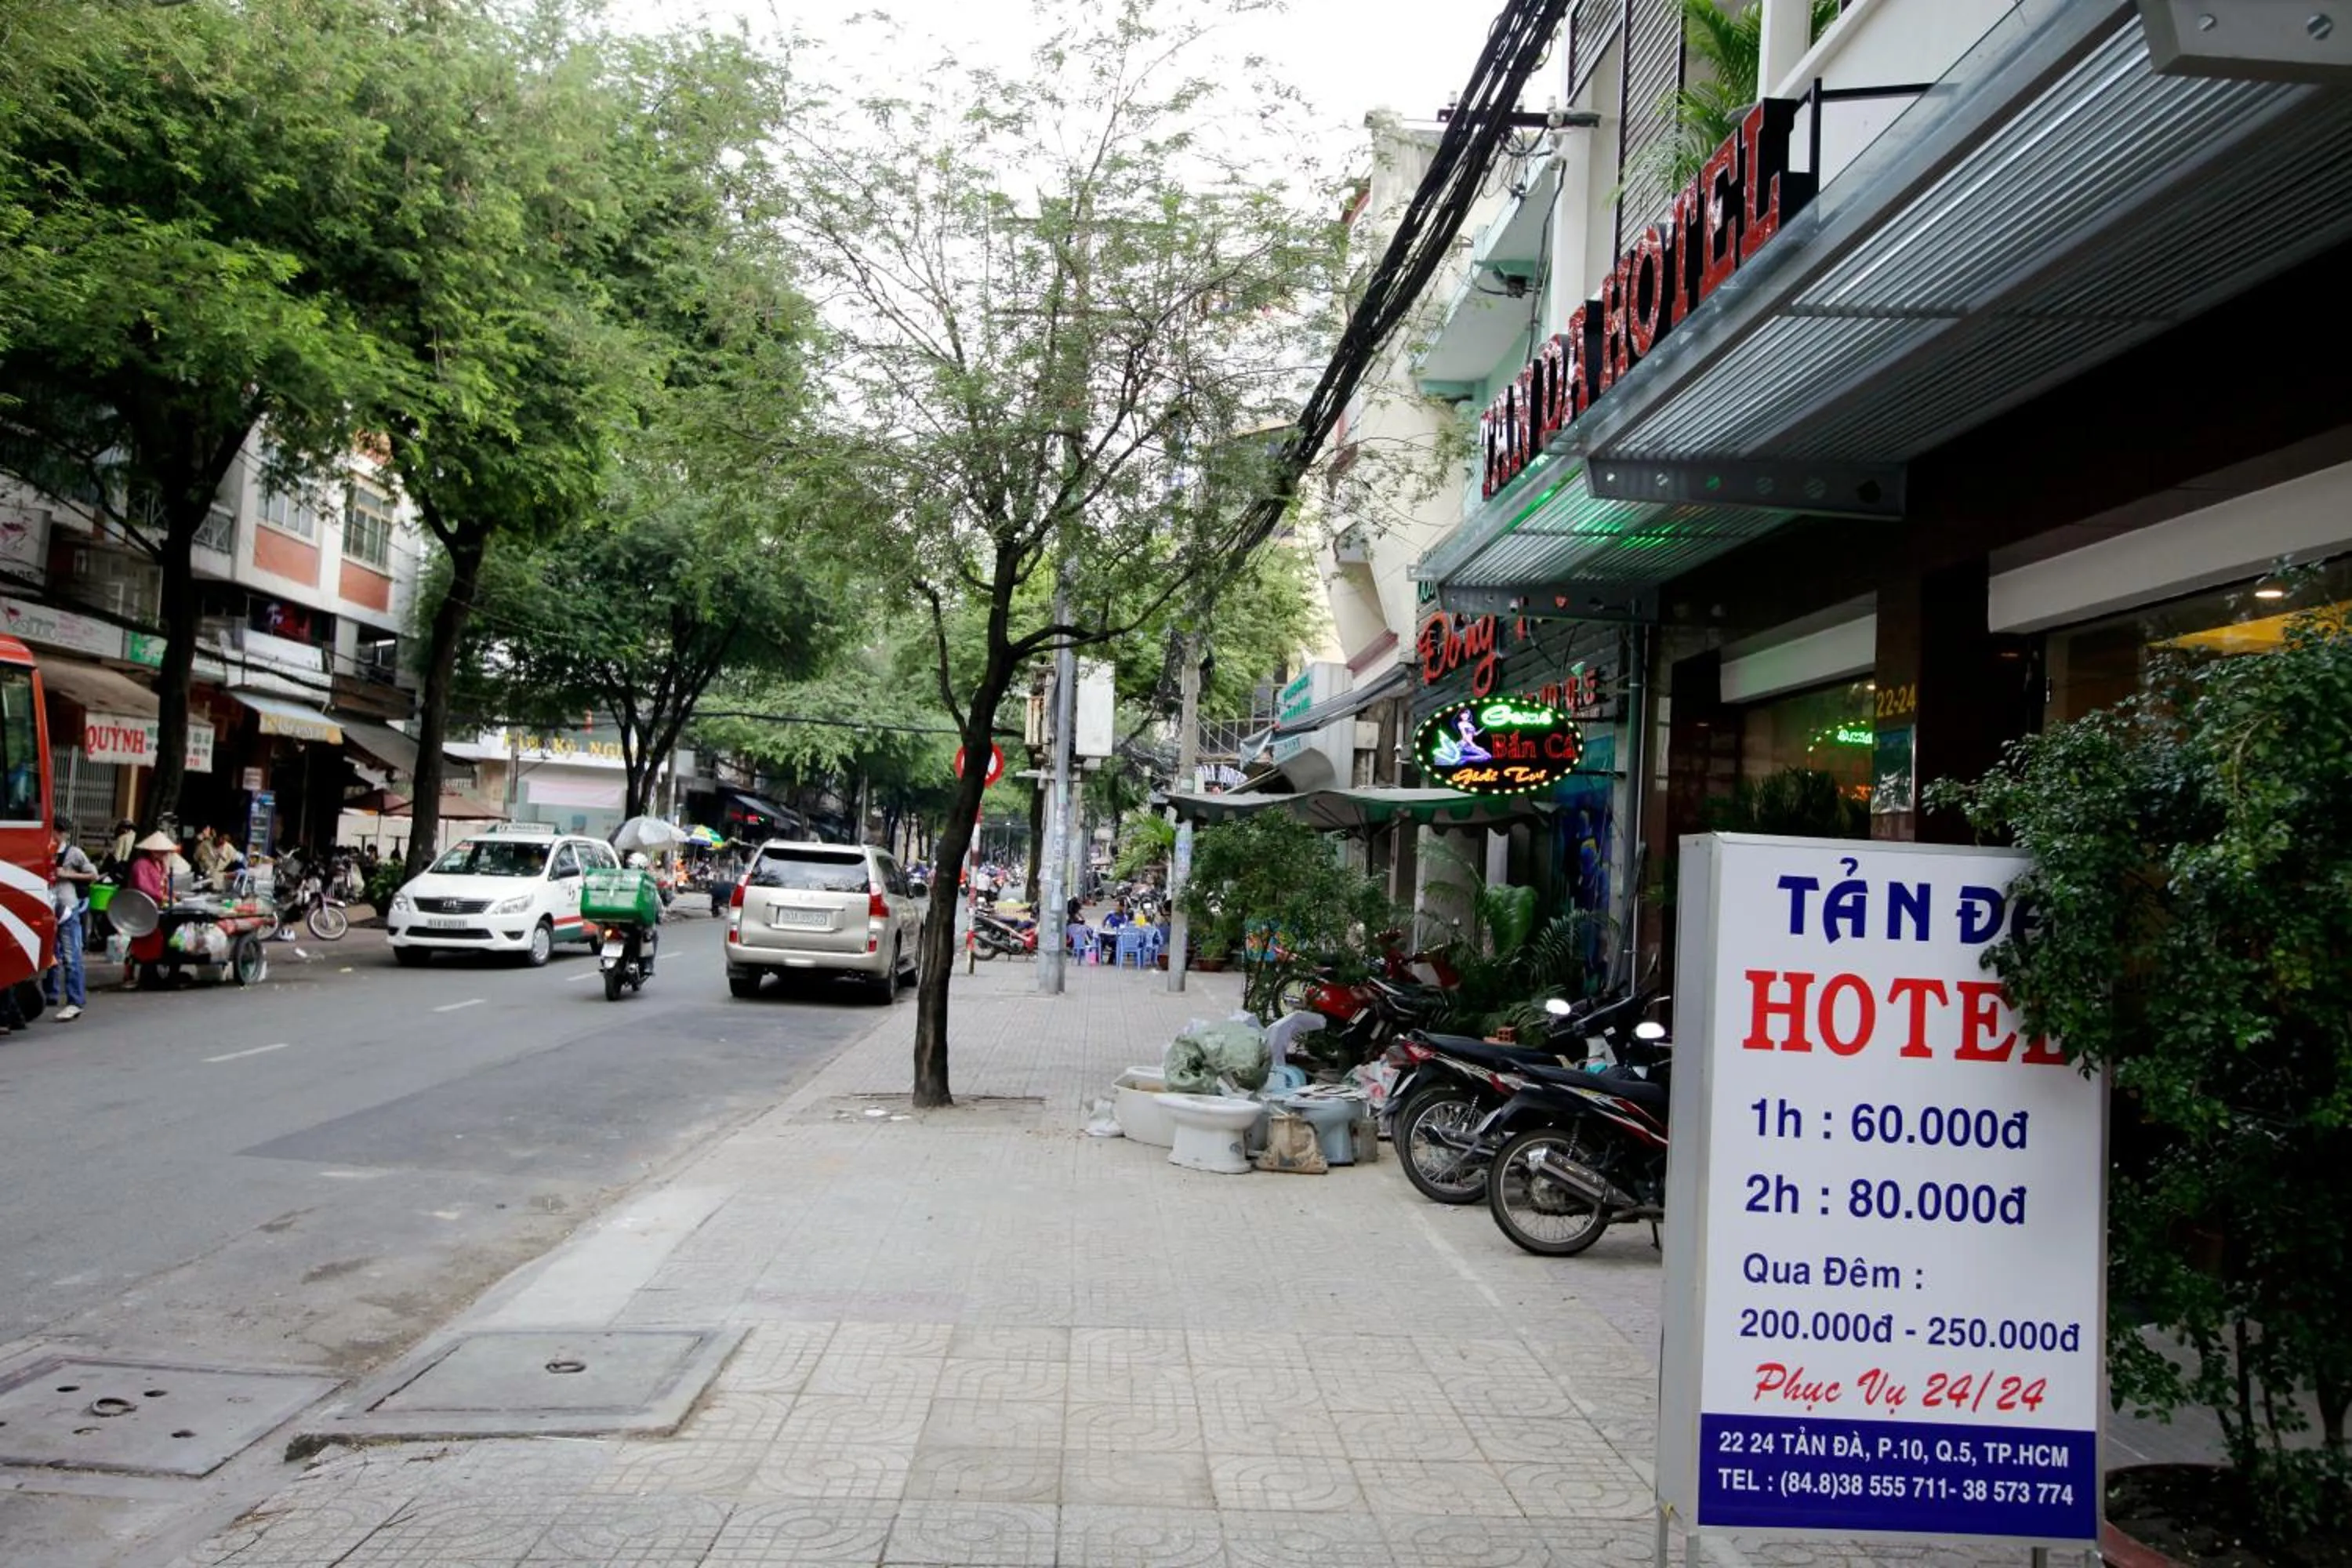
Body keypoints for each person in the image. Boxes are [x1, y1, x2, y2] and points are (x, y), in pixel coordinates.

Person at [46, 818, 93, 1021]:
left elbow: (93, 874)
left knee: (71, 957)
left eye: (59, 833)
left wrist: (66, 874)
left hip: (68, 908)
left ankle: (75, 1001)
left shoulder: (74, 853)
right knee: (49, 956)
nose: (57, 837)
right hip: (48, 909)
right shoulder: (44, 850)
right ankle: (51, 994)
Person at [121, 830, 173, 990]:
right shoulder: (141, 865)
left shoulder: (160, 864)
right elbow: (143, 887)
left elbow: (164, 884)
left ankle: (152, 974)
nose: (164, 853)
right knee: (143, 943)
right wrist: (161, 896)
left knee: (156, 941)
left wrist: (170, 894)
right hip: (141, 909)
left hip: (156, 908)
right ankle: (139, 975)